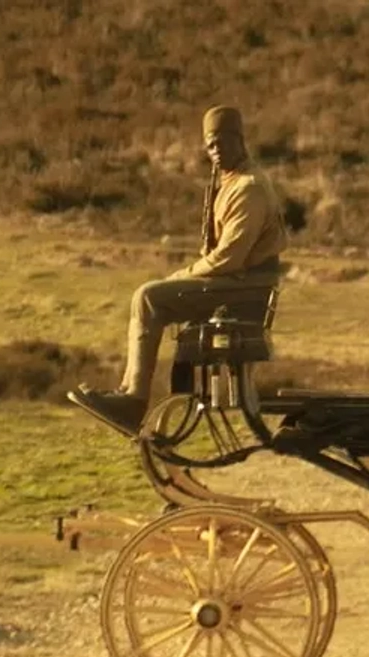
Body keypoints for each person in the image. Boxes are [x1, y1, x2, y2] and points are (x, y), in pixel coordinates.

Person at [71, 105, 289, 433]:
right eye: (210, 144)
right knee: (145, 297)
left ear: (239, 141)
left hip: (246, 289)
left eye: (222, 142)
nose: (215, 150)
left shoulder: (249, 187)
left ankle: (133, 401)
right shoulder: (229, 182)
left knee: (148, 297)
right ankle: (127, 391)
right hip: (239, 282)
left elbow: (229, 258)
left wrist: (184, 274)